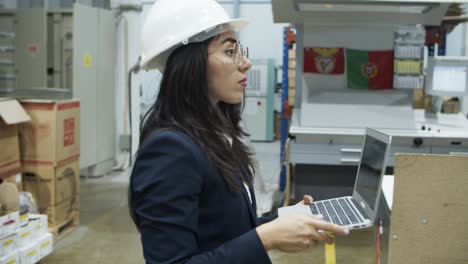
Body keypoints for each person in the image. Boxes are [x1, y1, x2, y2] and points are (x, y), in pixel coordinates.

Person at [129, 0, 349, 263]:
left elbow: (225, 226)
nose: (245, 63)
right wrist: (267, 237)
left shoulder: (213, 134)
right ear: (189, 63)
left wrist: (285, 221)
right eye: (230, 51)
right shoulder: (169, 150)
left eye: (239, 50)